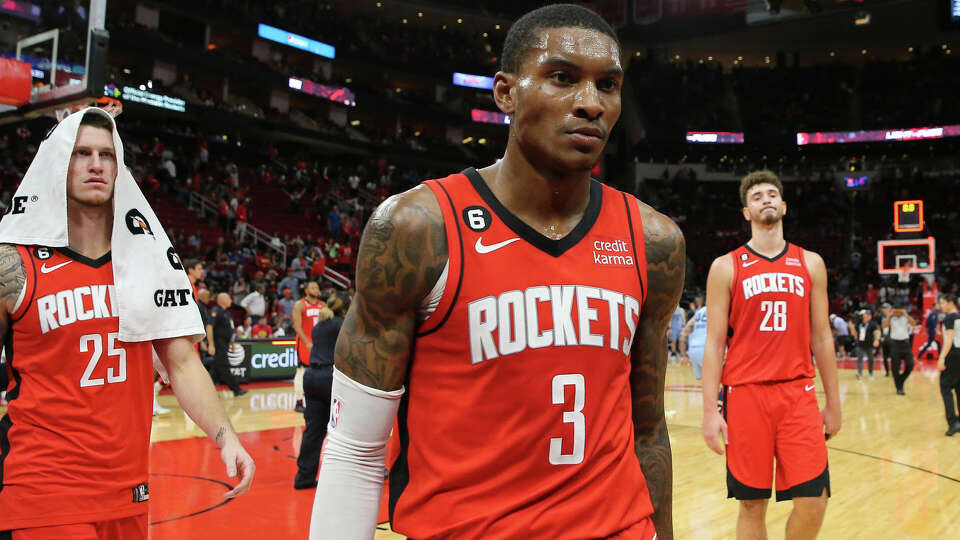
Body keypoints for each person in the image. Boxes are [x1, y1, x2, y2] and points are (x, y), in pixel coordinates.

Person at [311, 5, 682, 539]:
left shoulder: (654, 241)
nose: (590, 103)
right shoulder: (417, 229)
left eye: (608, 85)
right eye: (562, 77)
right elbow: (355, 449)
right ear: (505, 92)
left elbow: (649, 432)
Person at [0, 109, 254, 539]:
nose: (96, 164)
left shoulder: (146, 263)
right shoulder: (14, 264)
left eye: (106, 154)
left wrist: (226, 436)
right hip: (42, 489)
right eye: (81, 153)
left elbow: (182, 363)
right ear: (57, 163)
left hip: (128, 490)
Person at [701, 170, 841, 540]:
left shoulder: (810, 262)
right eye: (757, 196)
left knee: (815, 499)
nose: (765, 199)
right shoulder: (725, 266)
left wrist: (834, 403)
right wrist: (709, 412)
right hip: (745, 396)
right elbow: (715, 344)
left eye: (772, 194)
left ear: (783, 206)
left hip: (798, 395)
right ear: (746, 212)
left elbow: (822, 337)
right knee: (752, 504)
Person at [294, 291, 350, 489]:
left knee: (313, 431)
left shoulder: (320, 325)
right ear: (345, 308)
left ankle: (304, 477)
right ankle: (347, 477)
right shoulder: (342, 324)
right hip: (330, 378)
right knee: (346, 430)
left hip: (312, 377)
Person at [292, 281, 324, 413]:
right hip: (305, 343)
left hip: (319, 343)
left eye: (317, 287)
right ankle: (299, 401)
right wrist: (306, 342)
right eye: (312, 287)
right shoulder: (300, 305)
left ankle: (317, 400)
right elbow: (297, 326)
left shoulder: (323, 305)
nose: (315, 289)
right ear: (306, 290)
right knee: (302, 372)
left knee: (319, 372)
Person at [210, 292, 247, 397]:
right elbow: (209, 326)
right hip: (219, 343)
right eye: (229, 298)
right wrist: (211, 344)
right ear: (223, 300)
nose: (231, 300)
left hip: (226, 344)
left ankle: (206, 390)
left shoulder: (227, 313)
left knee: (216, 369)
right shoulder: (216, 311)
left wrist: (232, 342)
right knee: (224, 366)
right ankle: (236, 389)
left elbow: (230, 329)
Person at [937, 294, 960, 436]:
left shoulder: (949, 318)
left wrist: (941, 357)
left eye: (943, 303)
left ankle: (953, 423)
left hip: (952, 355)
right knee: (959, 388)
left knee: (945, 388)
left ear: (950, 303)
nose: (941, 306)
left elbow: (950, 338)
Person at [883, 303, 916, 395]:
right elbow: (884, 326)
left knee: (910, 365)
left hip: (905, 344)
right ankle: (899, 388)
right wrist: (889, 315)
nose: (897, 313)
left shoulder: (905, 317)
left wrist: (905, 314)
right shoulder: (891, 318)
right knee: (895, 368)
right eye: (895, 311)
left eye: (899, 311)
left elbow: (913, 323)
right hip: (894, 344)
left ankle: (901, 379)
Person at [680, 297, 707, 379]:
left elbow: (684, 332)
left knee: (701, 380)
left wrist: (683, 354)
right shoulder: (715, 310)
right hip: (706, 348)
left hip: (693, 349)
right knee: (713, 381)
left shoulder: (698, 313)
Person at [855, 310, 881, 380]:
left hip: (869, 344)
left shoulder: (873, 324)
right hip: (860, 344)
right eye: (865, 314)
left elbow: (877, 332)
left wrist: (876, 340)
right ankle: (859, 373)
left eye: (867, 315)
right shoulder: (859, 323)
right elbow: (856, 332)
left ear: (870, 316)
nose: (865, 316)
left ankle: (871, 373)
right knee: (859, 359)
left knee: (871, 359)